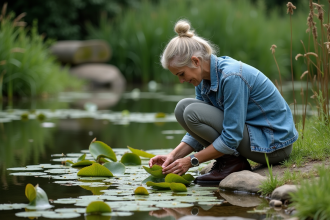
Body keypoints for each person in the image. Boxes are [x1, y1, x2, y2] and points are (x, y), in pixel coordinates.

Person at [149, 20, 298, 185]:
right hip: (253, 139)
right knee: (182, 109)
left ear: (196, 61)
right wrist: (174, 156)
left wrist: (191, 160)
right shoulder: (203, 79)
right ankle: (230, 161)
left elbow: (231, 136)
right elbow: (198, 129)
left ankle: (232, 163)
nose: (182, 81)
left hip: (274, 147)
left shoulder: (232, 77)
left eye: (181, 74)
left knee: (190, 112)